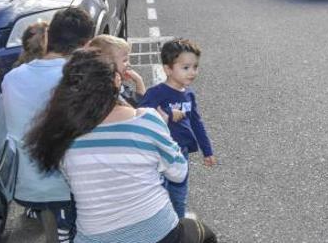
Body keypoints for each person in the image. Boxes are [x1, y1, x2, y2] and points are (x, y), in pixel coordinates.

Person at [24, 49, 218, 243]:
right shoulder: (147, 120)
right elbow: (178, 172)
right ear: (117, 81)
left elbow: (72, 179)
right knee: (202, 233)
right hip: (158, 233)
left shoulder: (63, 136)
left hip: (94, 237)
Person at [2, 7, 95, 242]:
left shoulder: (11, 78)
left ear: (50, 37)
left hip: (23, 187)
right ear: (86, 44)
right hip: (66, 187)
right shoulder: (80, 78)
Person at [140, 39, 215, 220]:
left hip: (181, 153)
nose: (192, 72)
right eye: (186, 67)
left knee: (179, 196)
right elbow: (140, 116)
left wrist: (207, 150)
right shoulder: (156, 93)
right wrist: (167, 113)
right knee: (159, 195)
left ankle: (179, 228)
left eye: (195, 67)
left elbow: (197, 122)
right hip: (158, 154)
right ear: (168, 69)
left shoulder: (188, 93)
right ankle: (161, 228)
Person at [87, 34, 147, 107]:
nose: (129, 64)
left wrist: (138, 80)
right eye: (124, 60)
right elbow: (144, 108)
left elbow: (140, 100)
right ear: (109, 65)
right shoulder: (114, 96)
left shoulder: (121, 87)